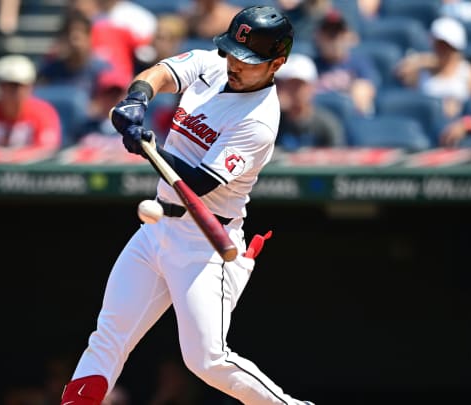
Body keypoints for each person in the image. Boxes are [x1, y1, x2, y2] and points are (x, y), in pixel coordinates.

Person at [59, 6, 315, 405]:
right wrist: (136, 100)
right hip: (158, 227)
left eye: (248, 61)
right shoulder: (214, 64)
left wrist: (148, 147)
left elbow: (196, 183)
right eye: (233, 52)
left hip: (204, 243)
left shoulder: (260, 121)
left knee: (207, 360)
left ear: (276, 63)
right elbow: (160, 73)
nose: (234, 64)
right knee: (108, 335)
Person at [0, 55, 61, 153]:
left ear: (29, 87)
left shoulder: (44, 113)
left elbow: (47, 150)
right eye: (5, 85)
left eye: (16, 86)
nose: (9, 91)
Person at [395, 16, 471, 120]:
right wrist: (424, 60)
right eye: (439, 44)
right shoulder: (423, 71)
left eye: (447, 46)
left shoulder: (468, 73)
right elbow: (400, 72)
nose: (442, 49)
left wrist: (461, 111)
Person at [311, 8, 378, 116]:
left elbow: (365, 93)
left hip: (351, 121)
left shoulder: (360, 63)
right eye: (329, 34)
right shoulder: (310, 66)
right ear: (318, 37)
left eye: (339, 33)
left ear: (348, 36)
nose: (335, 40)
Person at [274, 53, 346, 150]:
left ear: (311, 87)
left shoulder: (326, 124)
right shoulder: (272, 122)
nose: (287, 89)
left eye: (296, 84)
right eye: (281, 84)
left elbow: (336, 159)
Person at [37, 9, 112, 98]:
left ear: (89, 37)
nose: (74, 39)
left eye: (80, 33)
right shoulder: (49, 71)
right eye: (69, 33)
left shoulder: (103, 70)